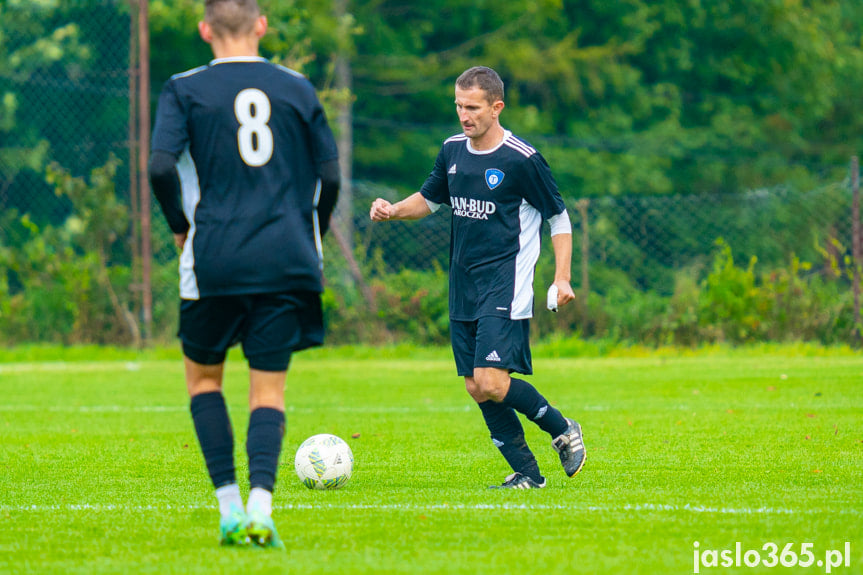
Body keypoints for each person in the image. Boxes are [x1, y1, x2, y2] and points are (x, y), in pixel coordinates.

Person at [148, 0, 340, 547]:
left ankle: (229, 508)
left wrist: (179, 227)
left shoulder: (184, 88)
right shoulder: (298, 87)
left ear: (206, 29)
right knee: (268, 391)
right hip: (286, 257)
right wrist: (314, 230)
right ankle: (262, 508)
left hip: (215, 255)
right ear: (261, 26)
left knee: (205, 381)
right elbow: (330, 174)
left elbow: (161, 166)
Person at [370, 66, 585, 489]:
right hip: (463, 282)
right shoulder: (452, 151)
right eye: (458, 106)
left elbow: (558, 217)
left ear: (496, 107)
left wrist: (562, 278)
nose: (463, 115)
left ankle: (563, 428)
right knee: (475, 385)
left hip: (506, 281)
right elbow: (430, 200)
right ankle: (528, 474)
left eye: (472, 108)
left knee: (492, 380)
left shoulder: (522, 160)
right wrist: (394, 209)